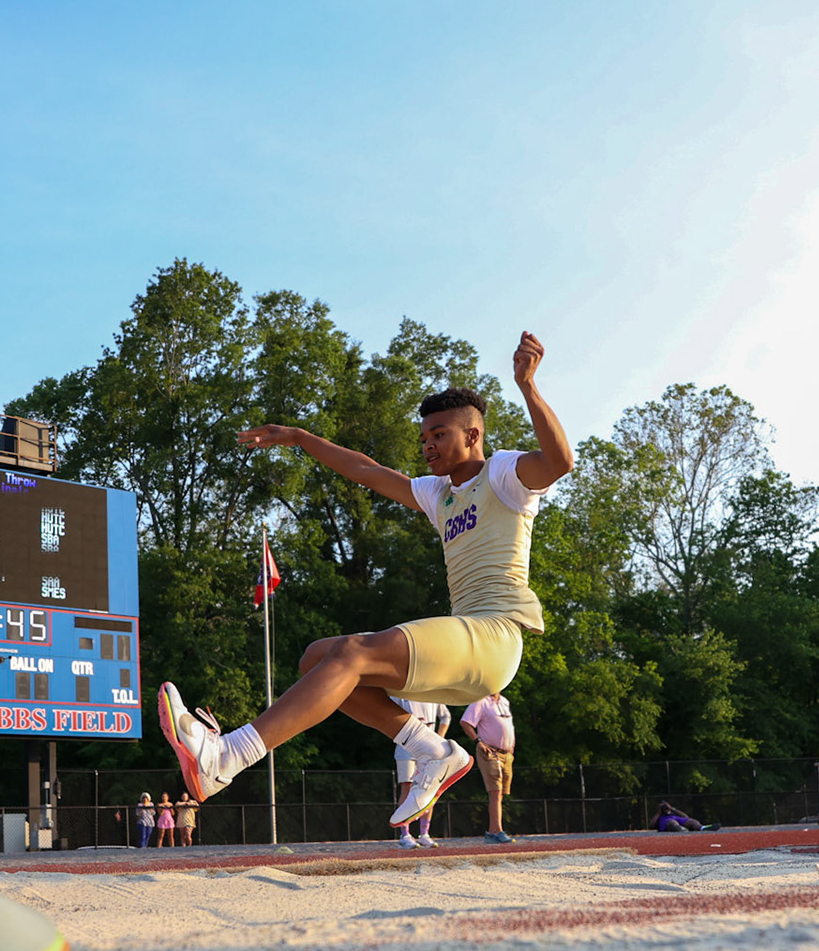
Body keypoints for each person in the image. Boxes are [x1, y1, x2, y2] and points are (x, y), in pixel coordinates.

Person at [157, 332, 574, 841]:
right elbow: (368, 471)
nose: (427, 446)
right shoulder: (438, 495)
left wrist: (528, 387)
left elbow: (559, 462)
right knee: (318, 658)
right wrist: (300, 437)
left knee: (352, 653)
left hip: (495, 637)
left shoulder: (502, 474)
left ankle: (227, 756)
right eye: (423, 438)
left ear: (473, 435)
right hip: (465, 654)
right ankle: (432, 749)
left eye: (438, 435)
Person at [459, 691, 518, 844]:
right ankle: (498, 830)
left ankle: (492, 832)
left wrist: (511, 746)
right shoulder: (480, 700)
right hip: (490, 752)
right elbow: (466, 722)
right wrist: (478, 741)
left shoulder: (504, 701)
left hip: (506, 753)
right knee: (495, 791)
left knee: (501, 793)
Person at [393, 697, 451, 848]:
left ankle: (424, 834)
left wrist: (439, 737)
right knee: (407, 787)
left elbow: (445, 715)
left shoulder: (431, 693)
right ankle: (405, 834)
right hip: (406, 749)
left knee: (428, 789)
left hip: (429, 749)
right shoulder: (400, 694)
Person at [651, 801, 719, 832]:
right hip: (666, 821)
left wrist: (672, 809)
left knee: (692, 821)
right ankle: (681, 829)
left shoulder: (672, 812)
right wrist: (658, 812)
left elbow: (685, 816)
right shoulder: (659, 816)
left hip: (677, 818)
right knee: (671, 822)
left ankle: (703, 827)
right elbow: (651, 825)